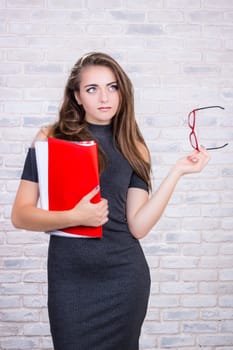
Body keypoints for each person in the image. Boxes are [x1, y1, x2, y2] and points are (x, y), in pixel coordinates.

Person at [11, 52, 210, 350]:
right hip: (70, 280)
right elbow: (21, 215)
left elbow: (139, 226)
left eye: (113, 87)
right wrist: (75, 216)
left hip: (124, 278)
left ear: (122, 91)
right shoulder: (51, 138)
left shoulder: (135, 146)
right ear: (77, 96)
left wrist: (177, 172)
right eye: (92, 89)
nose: (105, 97)